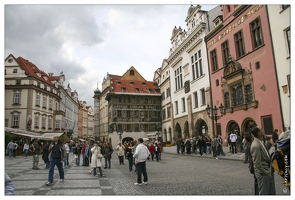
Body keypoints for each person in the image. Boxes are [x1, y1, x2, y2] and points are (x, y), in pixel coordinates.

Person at [250, 127, 276, 195]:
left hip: (268, 171)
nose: (263, 130)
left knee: (271, 192)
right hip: (263, 173)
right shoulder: (255, 145)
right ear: (259, 133)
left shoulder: (261, 142)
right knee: (264, 193)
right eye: (261, 130)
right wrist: (264, 172)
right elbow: (257, 163)